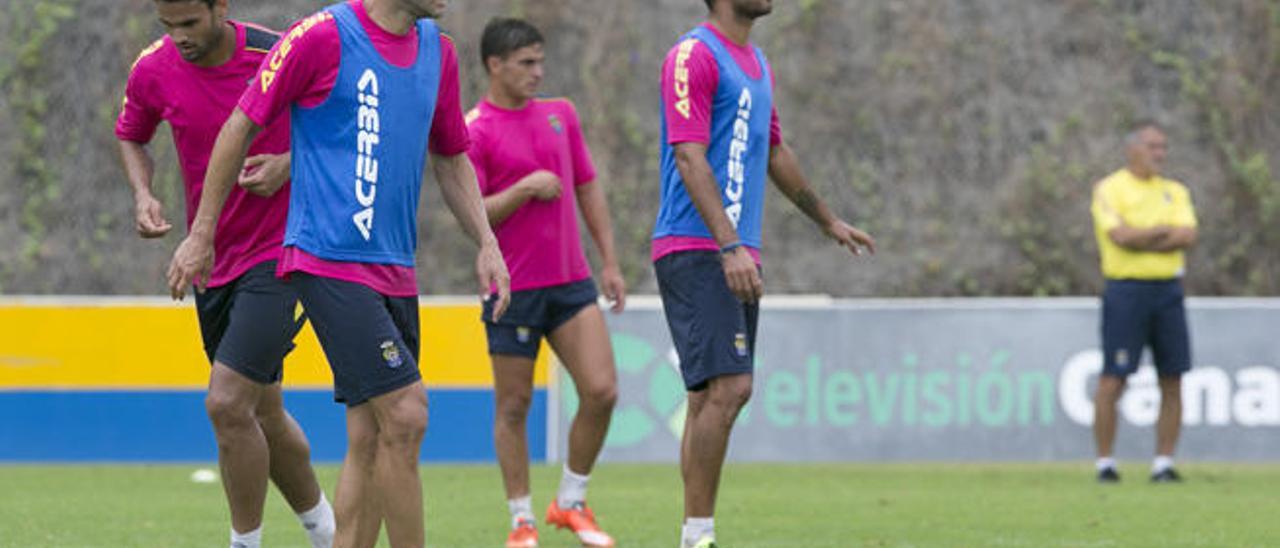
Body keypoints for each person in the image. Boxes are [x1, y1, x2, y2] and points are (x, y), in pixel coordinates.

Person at [165, 0, 511, 546]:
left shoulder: (437, 53)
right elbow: (240, 125)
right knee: (407, 412)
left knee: (372, 436)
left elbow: (451, 156)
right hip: (326, 259)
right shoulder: (320, 36)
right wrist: (202, 233)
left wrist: (487, 242)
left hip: (396, 267)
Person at [653, 1, 876, 546]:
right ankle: (698, 534)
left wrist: (828, 220)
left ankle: (694, 533)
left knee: (710, 397)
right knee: (732, 387)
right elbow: (688, 155)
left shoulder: (755, 63)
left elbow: (774, 150)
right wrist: (728, 245)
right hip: (699, 245)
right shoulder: (693, 55)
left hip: (733, 249)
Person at [115, 2, 334, 547]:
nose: (179, 38)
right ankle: (331, 533)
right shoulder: (152, 68)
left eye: (190, 23)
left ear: (220, 8)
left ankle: (243, 542)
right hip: (213, 263)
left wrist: (290, 162)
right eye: (168, 26)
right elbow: (132, 133)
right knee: (265, 413)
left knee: (227, 401)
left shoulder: (276, 53)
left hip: (283, 251)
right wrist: (144, 193)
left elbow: (342, 127)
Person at [466, 17, 623, 548]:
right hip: (511, 288)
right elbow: (473, 211)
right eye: (526, 63)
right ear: (495, 65)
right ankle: (521, 521)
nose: (539, 71)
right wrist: (525, 188)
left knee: (602, 391)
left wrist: (610, 262)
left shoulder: (562, 115)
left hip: (571, 282)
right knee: (513, 407)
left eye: (540, 61)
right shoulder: (475, 129)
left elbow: (588, 187)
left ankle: (571, 501)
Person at [1090, 120, 1198, 484]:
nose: (1160, 154)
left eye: (1163, 147)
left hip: (1167, 291)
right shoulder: (1110, 188)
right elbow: (1120, 236)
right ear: (1132, 149)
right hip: (1126, 291)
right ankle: (1105, 463)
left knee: (1173, 377)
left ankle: (1163, 463)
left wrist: (1143, 236)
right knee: (1113, 379)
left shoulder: (1175, 191)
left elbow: (1187, 234)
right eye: (1153, 146)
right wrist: (1160, 232)